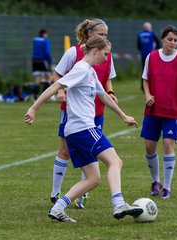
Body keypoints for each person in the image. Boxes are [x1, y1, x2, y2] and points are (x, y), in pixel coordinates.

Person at [25, 35, 143, 222]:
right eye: (105, 54)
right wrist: (34, 108)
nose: (106, 58)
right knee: (115, 162)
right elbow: (56, 85)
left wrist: (123, 116)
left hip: (76, 132)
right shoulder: (80, 69)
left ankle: (58, 207)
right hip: (83, 129)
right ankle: (119, 203)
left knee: (93, 178)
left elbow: (103, 96)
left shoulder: (90, 72)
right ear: (95, 50)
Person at [50, 18, 117, 209]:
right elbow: (58, 76)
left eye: (106, 35)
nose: (104, 38)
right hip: (73, 111)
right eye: (100, 35)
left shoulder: (107, 53)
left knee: (93, 151)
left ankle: (83, 193)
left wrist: (110, 93)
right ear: (89, 34)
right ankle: (55, 193)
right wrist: (61, 91)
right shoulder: (74, 52)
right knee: (65, 150)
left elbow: (107, 81)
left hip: (96, 110)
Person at [141, 26, 177, 199]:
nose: (173, 43)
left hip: (173, 110)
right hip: (153, 110)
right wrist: (148, 94)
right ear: (163, 39)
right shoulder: (151, 57)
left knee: (168, 144)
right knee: (149, 147)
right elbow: (145, 79)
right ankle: (156, 181)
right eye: (170, 39)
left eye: (175, 40)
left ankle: (167, 187)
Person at [137, 22, 160, 92]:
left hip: (143, 55)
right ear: (149, 28)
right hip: (151, 56)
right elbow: (158, 45)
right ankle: (151, 86)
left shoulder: (140, 34)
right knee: (152, 71)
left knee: (144, 71)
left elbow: (138, 46)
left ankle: (143, 87)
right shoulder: (152, 34)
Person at [31, 28, 53, 99]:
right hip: (43, 60)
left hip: (34, 61)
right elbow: (47, 52)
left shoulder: (35, 40)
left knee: (37, 79)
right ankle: (44, 96)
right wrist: (49, 61)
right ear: (45, 34)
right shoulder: (45, 41)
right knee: (49, 77)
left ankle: (35, 96)